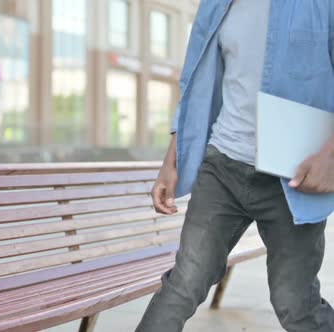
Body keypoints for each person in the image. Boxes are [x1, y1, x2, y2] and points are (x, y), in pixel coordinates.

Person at [135, 1, 334, 331]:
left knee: (295, 304)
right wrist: (171, 162)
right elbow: (194, 80)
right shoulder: (216, 3)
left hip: (293, 176)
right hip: (222, 166)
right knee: (184, 283)